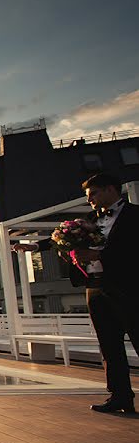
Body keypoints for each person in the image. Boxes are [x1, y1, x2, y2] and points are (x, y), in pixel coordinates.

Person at [13, 173, 137, 413]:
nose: (90, 200)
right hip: (95, 287)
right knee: (109, 346)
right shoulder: (91, 219)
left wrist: (100, 256)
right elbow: (62, 237)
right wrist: (35, 246)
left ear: (111, 189)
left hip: (128, 288)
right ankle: (120, 396)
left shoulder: (134, 215)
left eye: (93, 194)